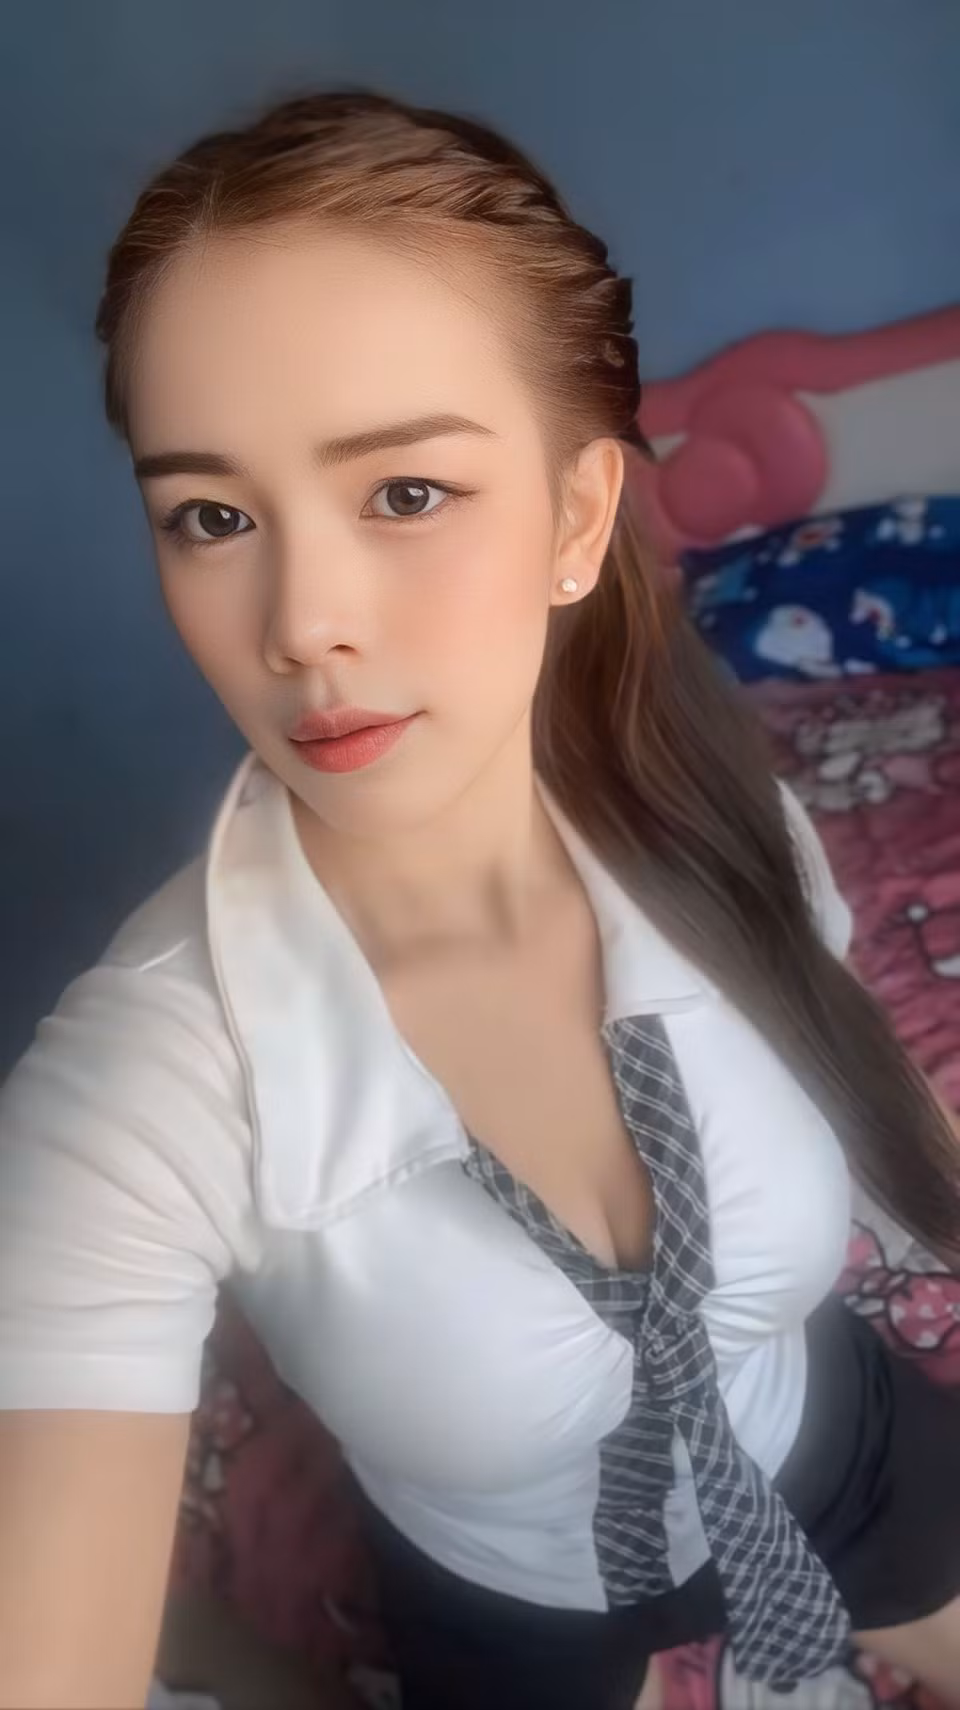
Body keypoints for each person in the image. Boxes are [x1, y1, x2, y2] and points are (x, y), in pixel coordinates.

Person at [2, 89, 960, 1710]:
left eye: (405, 493)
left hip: (836, 1439)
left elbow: (870, 1083)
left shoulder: (732, 823)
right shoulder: (143, 1089)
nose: (303, 623)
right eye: (213, 518)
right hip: (503, 1589)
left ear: (577, 519)